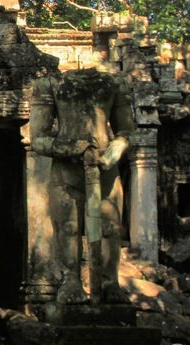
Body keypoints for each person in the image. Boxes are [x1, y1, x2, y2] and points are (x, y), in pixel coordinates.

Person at [30, 66, 134, 304]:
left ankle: (109, 282)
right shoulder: (48, 85)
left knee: (109, 228)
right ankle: (70, 280)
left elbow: (127, 131)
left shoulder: (114, 84)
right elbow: (38, 139)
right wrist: (72, 148)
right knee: (68, 228)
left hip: (105, 167)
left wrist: (115, 149)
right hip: (67, 170)